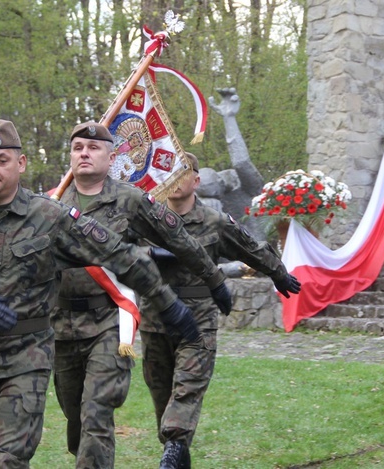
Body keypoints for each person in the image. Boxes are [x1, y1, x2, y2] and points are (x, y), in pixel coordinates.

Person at [0, 119, 204, 469]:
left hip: (25, 360)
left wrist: (168, 303)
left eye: (1, 159)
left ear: (21, 163)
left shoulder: (50, 216)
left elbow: (120, 255)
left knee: (8, 459)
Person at [51, 121, 232, 468]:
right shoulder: (51, 203)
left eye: (93, 148)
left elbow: (179, 239)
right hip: (62, 324)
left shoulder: (130, 200)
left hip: (110, 321)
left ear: (111, 156)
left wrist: (214, 279)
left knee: (96, 412)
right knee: (76, 419)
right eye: (77, 148)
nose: (84, 153)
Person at [140, 152, 301, 469]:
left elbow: (249, 246)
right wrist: (148, 251)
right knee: (163, 398)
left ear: (196, 181)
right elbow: (115, 247)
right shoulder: (148, 218)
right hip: (155, 319)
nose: (175, 178)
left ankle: (173, 447)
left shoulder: (213, 222)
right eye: (170, 171)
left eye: (183, 172)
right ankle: (176, 451)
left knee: (187, 388)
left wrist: (278, 272)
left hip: (197, 319)